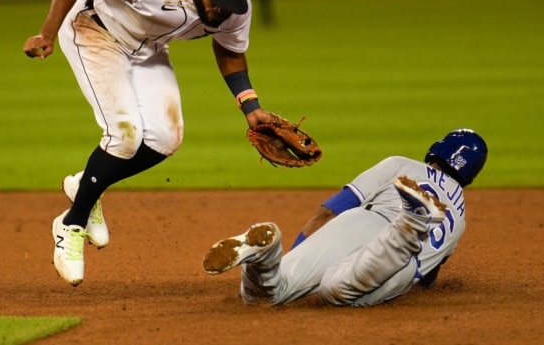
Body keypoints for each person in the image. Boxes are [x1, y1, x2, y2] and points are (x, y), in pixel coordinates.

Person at [23, 0, 280, 286]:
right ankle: (71, 224)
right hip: (94, 30)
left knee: (166, 138)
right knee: (124, 136)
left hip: (148, 49)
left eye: (228, 5)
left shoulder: (232, 7)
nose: (220, 10)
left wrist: (250, 106)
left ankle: (85, 185)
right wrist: (46, 32)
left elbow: (230, 49)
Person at [202, 129, 488, 306]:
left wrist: (297, 256)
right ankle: (411, 224)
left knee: (273, 292)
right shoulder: (459, 217)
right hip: (399, 260)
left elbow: (329, 212)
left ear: (437, 150)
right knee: (334, 290)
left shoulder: (400, 164)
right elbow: (427, 278)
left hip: (359, 222)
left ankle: (266, 254)